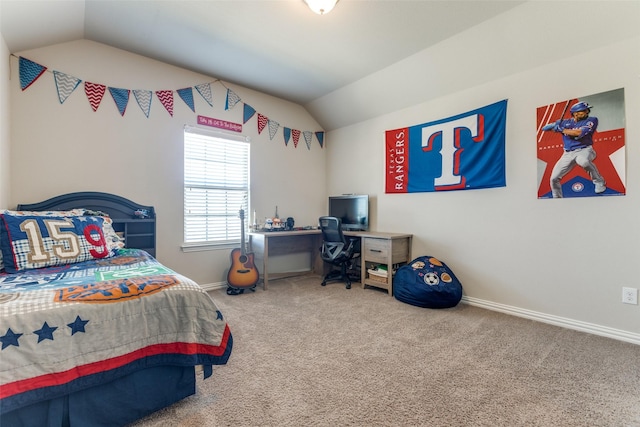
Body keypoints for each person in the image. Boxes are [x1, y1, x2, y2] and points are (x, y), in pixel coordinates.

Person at [541, 101, 606, 198]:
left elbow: (578, 133)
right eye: (583, 110)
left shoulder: (591, 120)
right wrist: (555, 126)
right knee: (553, 179)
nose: (587, 112)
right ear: (575, 113)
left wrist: (562, 130)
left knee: (583, 161)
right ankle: (557, 198)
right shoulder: (565, 122)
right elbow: (544, 128)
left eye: (587, 110)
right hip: (567, 154)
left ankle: (599, 181)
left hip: (584, 150)